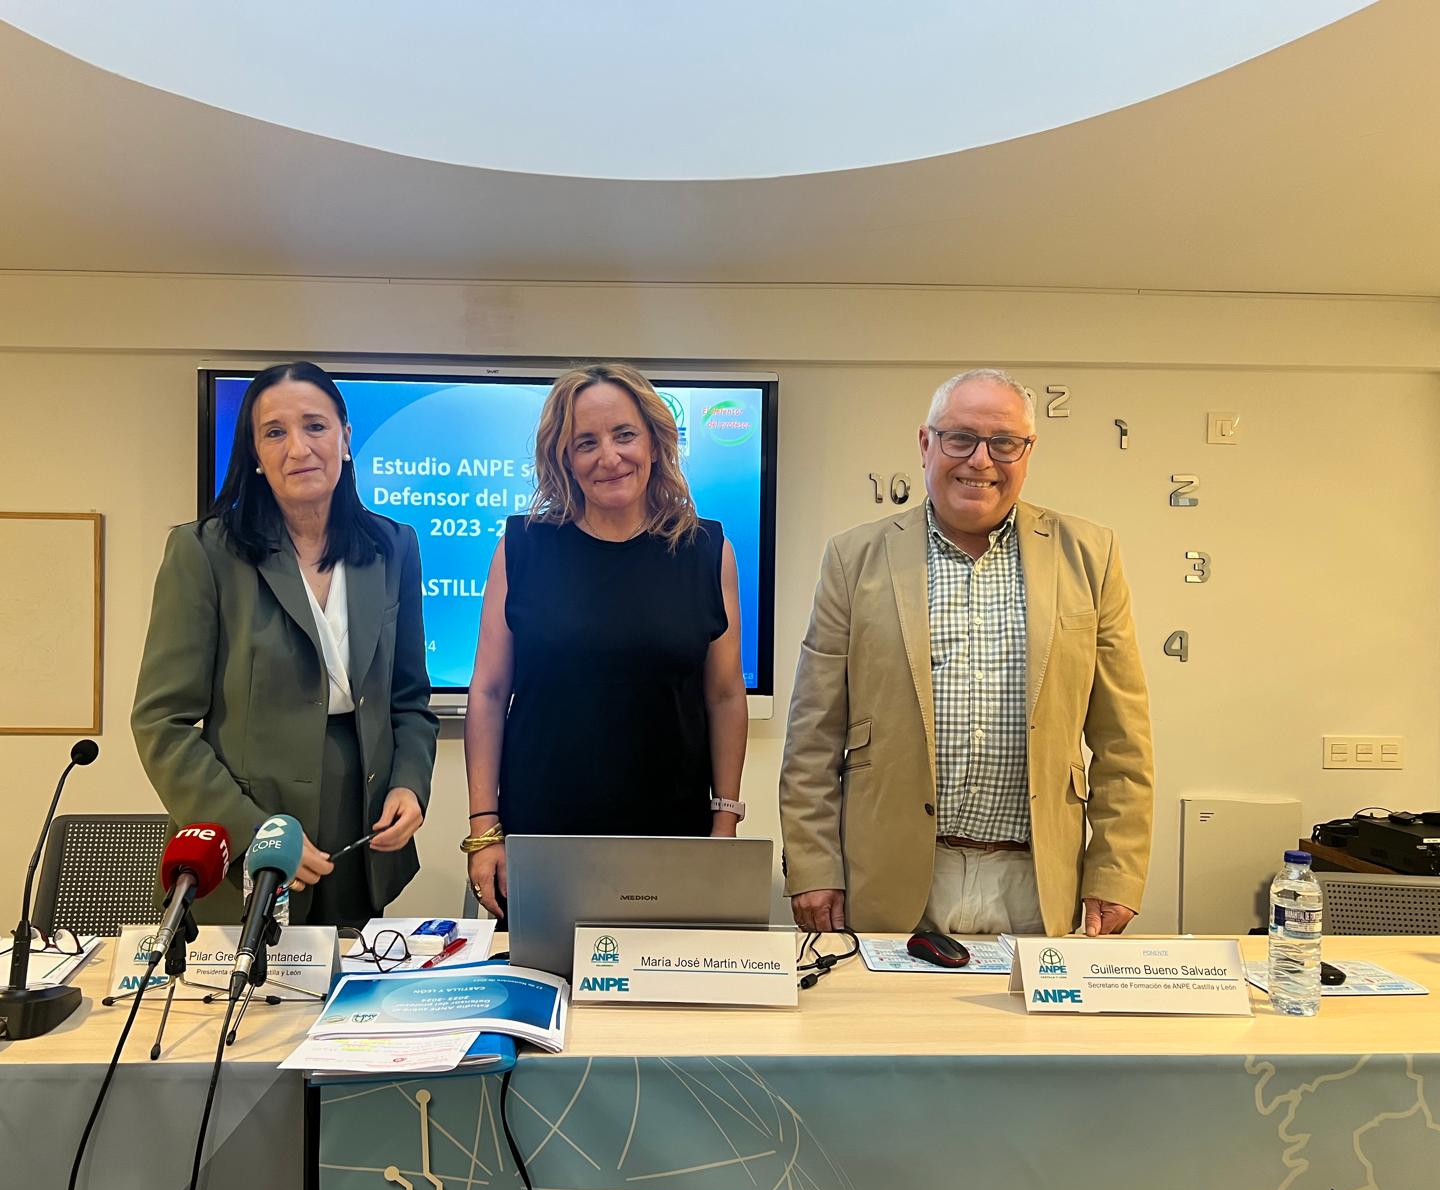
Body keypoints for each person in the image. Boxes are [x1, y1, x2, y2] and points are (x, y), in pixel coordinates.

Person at [779, 367, 1152, 938]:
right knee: (886, 1029)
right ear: (926, 443)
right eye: (960, 438)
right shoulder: (853, 559)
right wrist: (811, 865)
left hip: (1036, 881)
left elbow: (1123, 738)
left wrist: (1117, 872)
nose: (981, 460)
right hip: (889, 879)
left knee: (1034, 1031)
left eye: (1004, 443)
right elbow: (813, 734)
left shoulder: (1090, 556)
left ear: (1027, 452)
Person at [132, 361, 438, 925]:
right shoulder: (204, 552)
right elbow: (161, 723)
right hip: (248, 826)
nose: (299, 447)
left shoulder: (394, 546)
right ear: (254, 453)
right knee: (251, 1004)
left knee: (349, 1003)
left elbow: (409, 698)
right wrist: (249, 832)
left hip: (362, 834)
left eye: (315, 426)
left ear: (346, 439)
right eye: (275, 432)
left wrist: (410, 784)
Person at [463, 363, 748, 918]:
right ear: (563, 459)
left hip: (673, 835)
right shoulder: (522, 548)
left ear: (655, 441)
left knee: (663, 997)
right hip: (544, 833)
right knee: (546, 990)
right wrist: (483, 828)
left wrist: (725, 822)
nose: (609, 457)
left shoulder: (707, 551)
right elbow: (489, 693)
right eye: (585, 443)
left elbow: (725, 696)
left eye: (624, 435)